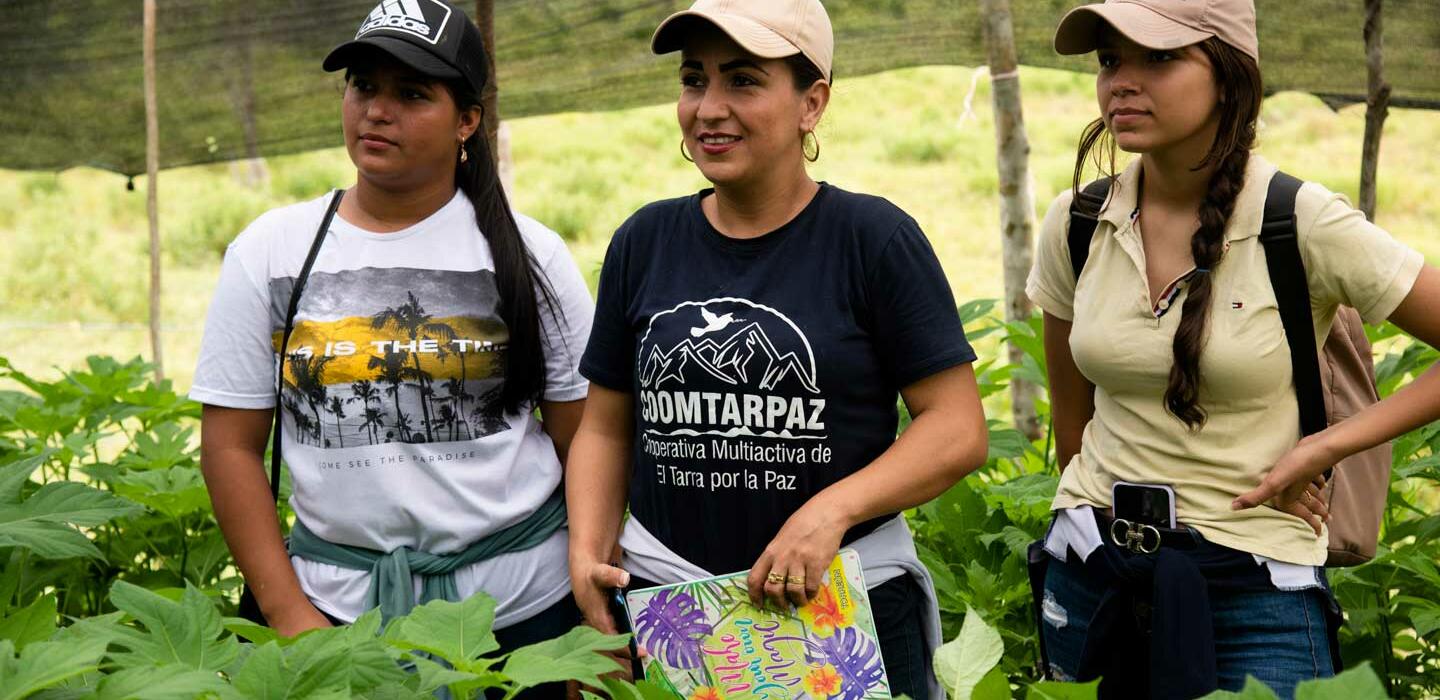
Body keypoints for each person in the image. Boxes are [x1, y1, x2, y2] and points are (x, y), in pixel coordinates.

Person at [563, 1, 989, 697]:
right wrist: (586, 556)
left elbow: (957, 428)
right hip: (668, 606)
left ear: (811, 103)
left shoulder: (872, 240)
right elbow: (607, 427)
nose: (709, 108)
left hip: (843, 605)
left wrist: (830, 513)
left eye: (744, 82)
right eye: (694, 79)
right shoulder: (645, 241)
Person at [1027, 0, 1440, 697]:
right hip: (1092, 572)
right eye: (1108, 61)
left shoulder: (1299, 220)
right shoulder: (1078, 222)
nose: (1121, 82)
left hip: (1258, 584)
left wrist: (1323, 448)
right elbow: (1074, 424)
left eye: (1157, 58)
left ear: (1228, 73)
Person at [192, 1, 593, 692]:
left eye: (411, 94)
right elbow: (229, 448)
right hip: (337, 619)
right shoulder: (271, 250)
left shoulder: (531, 254)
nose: (377, 110)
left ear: (468, 120)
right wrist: (291, 616)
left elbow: (586, 436)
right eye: (363, 87)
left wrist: (589, 591)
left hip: (525, 618)